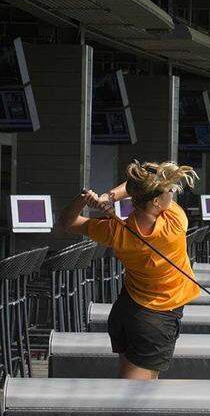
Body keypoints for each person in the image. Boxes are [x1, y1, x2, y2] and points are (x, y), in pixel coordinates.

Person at [58, 160, 200, 379]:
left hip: (128, 309)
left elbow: (68, 222)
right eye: (170, 191)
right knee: (133, 399)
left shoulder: (116, 231)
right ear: (155, 202)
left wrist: (88, 199)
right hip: (153, 321)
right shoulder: (175, 222)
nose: (172, 193)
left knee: (135, 393)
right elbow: (138, 186)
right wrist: (111, 198)